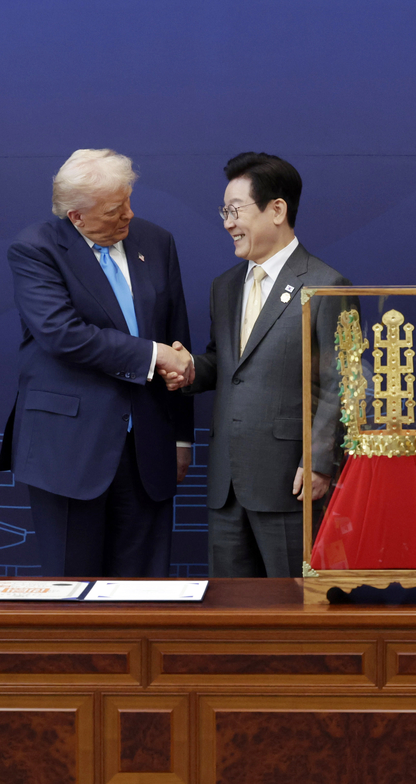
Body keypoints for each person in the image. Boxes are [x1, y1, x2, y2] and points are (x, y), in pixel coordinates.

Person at [0, 149, 195, 577]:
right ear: (77, 217)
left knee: (146, 596)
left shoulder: (156, 242)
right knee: (75, 599)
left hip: (147, 449)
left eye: (127, 200)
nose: (128, 215)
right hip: (69, 451)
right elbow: (62, 335)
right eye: (114, 210)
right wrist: (151, 354)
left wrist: (182, 437)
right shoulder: (35, 250)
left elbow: (177, 339)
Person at [175, 152, 348, 577]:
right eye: (224, 212)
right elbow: (227, 363)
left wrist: (320, 461)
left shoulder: (326, 285)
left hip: (290, 483)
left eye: (235, 211)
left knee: (293, 613)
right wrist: (191, 368)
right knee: (231, 617)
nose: (226, 223)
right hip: (227, 485)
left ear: (277, 210)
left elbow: (341, 382)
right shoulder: (226, 286)